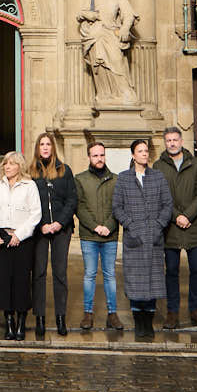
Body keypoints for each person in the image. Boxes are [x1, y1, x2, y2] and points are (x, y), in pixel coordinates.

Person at [114, 139, 173, 340]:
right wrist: (131, 225)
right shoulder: (123, 178)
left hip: (154, 237)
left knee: (152, 282)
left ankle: (149, 322)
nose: (144, 154)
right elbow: (117, 207)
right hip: (134, 238)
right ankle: (139, 322)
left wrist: (158, 226)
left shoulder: (158, 177)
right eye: (140, 151)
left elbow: (167, 205)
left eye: (146, 151)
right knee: (135, 282)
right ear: (133, 155)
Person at [154, 127, 197, 330]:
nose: (172, 143)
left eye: (175, 139)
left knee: (196, 270)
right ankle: (172, 312)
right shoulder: (158, 166)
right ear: (165, 142)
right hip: (171, 227)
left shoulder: (195, 164)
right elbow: (159, 196)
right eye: (168, 140)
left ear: (181, 140)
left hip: (193, 225)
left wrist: (188, 215)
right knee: (172, 271)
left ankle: (196, 309)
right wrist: (177, 216)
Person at [0, 150, 43, 341]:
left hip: (22, 237)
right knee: (4, 281)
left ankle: (21, 323)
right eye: (5, 164)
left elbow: (36, 214)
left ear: (19, 166)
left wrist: (19, 235)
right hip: (0, 236)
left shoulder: (29, 186)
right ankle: (8, 323)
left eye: (11, 163)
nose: (7, 167)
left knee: (21, 280)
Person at [28, 132, 76, 338]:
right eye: (42, 144)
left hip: (60, 229)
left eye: (48, 144)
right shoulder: (30, 172)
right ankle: (39, 318)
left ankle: (60, 318)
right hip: (39, 230)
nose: (45, 148)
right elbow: (27, 203)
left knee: (60, 273)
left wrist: (58, 223)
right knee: (38, 273)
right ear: (38, 148)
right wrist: (40, 225)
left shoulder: (64, 171)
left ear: (53, 147)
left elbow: (72, 200)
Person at [74, 142, 121, 332]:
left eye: (101, 155)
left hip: (110, 236)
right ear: (89, 157)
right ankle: (88, 313)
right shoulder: (80, 179)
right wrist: (95, 227)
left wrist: (108, 226)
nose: (99, 159)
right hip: (89, 236)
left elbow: (118, 205)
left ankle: (113, 314)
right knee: (89, 275)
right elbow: (80, 207)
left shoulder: (116, 179)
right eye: (95, 156)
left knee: (110, 275)